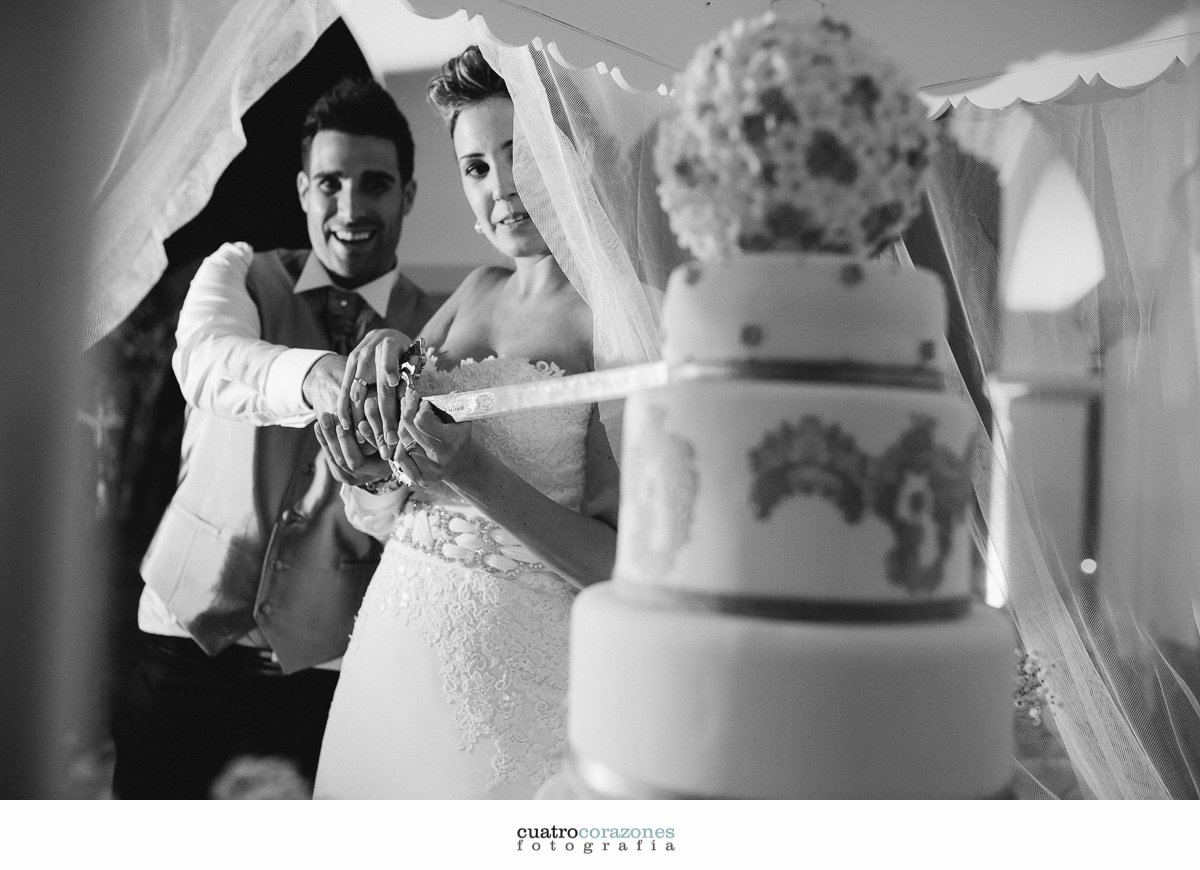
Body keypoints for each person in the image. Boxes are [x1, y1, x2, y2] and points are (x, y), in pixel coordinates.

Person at [310, 46, 633, 799]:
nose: (502, 188)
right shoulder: (476, 289)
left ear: (572, 154)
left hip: (507, 685)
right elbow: (395, 494)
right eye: (476, 168)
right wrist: (370, 459)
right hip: (391, 653)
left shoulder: (614, 325)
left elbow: (618, 570)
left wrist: (472, 473)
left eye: (520, 157)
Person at [110, 77, 440, 798]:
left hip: (330, 671)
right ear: (301, 189)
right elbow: (206, 362)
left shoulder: (443, 326)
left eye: (375, 184)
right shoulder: (236, 275)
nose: (350, 208)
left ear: (408, 194)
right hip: (183, 641)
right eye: (330, 183)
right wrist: (325, 376)